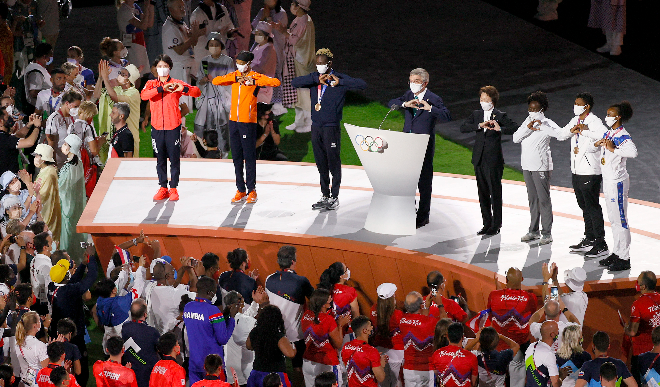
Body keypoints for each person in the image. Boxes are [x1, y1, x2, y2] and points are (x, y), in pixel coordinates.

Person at [292, 49, 367, 210]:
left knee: (333, 161)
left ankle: (334, 196)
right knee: (320, 162)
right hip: (316, 126)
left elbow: (362, 84)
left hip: (331, 126)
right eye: (317, 63)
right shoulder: (315, 79)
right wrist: (316, 78)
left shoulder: (338, 79)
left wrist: (340, 82)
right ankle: (324, 195)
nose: (319, 66)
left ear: (330, 63)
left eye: (322, 63)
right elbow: (295, 82)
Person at [212, 50, 281, 204]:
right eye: (238, 63)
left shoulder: (255, 77)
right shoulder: (235, 76)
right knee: (236, 157)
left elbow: (276, 82)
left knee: (249, 157)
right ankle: (240, 189)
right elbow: (216, 81)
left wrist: (254, 82)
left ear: (249, 64)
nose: (240, 66)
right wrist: (236, 77)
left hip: (248, 122)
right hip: (233, 122)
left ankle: (252, 190)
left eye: (243, 64)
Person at [389, 68, 451, 228]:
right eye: (411, 81)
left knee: (423, 182)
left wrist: (430, 108)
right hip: (407, 144)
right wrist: (404, 104)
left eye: (416, 81)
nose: (413, 84)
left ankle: (423, 216)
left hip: (423, 145)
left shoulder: (434, 99)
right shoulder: (408, 95)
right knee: (407, 180)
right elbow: (392, 102)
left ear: (425, 83)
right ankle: (408, 210)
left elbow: (447, 116)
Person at [140, 54, 201, 201]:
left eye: (165, 66)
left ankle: (173, 188)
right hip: (157, 128)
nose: (162, 69)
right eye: (159, 67)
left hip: (173, 127)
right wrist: (161, 88)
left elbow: (197, 92)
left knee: (174, 158)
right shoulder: (151, 84)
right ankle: (163, 187)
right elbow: (143, 96)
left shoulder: (176, 83)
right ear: (155, 68)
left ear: (170, 68)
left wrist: (184, 88)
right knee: (160, 158)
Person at [459, 85, 517, 235]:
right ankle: (486, 223)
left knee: (494, 192)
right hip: (479, 159)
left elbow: (515, 127)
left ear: (493, 101)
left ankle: (496, 225)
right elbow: (463, 127)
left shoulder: (500, 115)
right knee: (483, 193)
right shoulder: (477, 114)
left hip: (493, 160)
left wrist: (500, 129)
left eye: (486, 99)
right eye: (481, 98)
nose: (482, 101)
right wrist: (479, 125)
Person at [557, 93, 608, 259]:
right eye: (575, 102)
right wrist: (572, 131)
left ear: (587, 107)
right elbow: (561, 135)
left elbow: (604, 136)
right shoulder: (575, 120)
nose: (575, 106)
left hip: (590, 171)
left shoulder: (594, 122)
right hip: (577, 171)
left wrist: (585, 132)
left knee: (592, 207)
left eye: (578, 103)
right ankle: (590, 237)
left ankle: (601, 244)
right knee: (584, 205)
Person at [513, 91, 562, 244]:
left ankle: (547, 233)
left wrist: (543, 127)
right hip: (527, 166)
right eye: (530, 109)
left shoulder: (547, 123)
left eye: (535, 109)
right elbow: (515, 138)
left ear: (542, 109)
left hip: (541, 167)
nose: (532, 112)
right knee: (533, 199)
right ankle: (533, 231)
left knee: (544, 200)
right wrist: (528, 128)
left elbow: (560, 135)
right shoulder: (527, 121)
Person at [594, 101, 637, 271]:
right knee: (613, 220)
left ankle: (624, 258)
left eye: (610, 114)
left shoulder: (622, 136)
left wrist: (613, 150)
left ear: (618, 117)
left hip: (618, 183)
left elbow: (633, 152)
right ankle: (617, 252)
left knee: (621, 220)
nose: (607, 117)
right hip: (609, 181)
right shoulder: (609, 132)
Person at [48, 246, 98, 387]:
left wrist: (82, 264)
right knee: (79, 367)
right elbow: (92, 276)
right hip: (72, 336)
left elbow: (71, 281)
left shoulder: (53, 286)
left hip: (59, 333)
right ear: (65, 276)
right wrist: (91, 257)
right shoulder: (68, 291)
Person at [265, 245, 314, 382]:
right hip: (295, 335)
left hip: (275, 334)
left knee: (277, 369)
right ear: (293, 261)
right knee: (298, 368)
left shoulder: (269, 279)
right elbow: (315, 300)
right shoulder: (302, 281)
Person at [486, 267, 537, 387]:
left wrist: (499, 289)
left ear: (506, 279)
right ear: (522, 279)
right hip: (520, 346)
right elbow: (532, 315)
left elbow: (492, 312)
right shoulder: (530, 298)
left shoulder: (494, 295)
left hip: (499, 345)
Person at [184, 276, 237, 384]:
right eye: (214, 292)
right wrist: (231, 318)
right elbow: (222, 339)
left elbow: (202, 325)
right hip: (212, 366)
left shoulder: (188, 307)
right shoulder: (213, 311)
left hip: (194, 362)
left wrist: (224, 316)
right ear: (210, 292)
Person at [275, 0, 314, 133]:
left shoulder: (305, 21)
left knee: (304, 93)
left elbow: (296, 40)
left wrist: (283, 32)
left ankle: (308, 122)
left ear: (299, 6)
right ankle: (299, 121)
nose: (291, 6)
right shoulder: (299, 19)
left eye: (293, 4)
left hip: (301, 61)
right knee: (297, 92)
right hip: (294, 59)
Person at [162, 0, 206, 114]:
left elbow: (193, 43)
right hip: (177, 70)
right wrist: (194, 35)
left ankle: (183, 131)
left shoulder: (181, 23)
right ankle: (174, 130)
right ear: (171, 9)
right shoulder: (169, 27)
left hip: (185, 69)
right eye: (179, 7)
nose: (183, 9)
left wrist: (196, 33)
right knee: (181, 107)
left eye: (183, 6)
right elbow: (180, 50)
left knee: (186, 106)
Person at [194, 32, 233, 156]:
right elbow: (199, 80)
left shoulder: (228, 61)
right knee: (205, 124)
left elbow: (231, 81)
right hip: (207, 98)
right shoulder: (204, 61)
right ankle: (204, 150)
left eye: (216, 44)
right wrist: (204, 80)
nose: (214, 47)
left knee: (222, 126)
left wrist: (216, 82)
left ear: (221, 46)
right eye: (211, 44)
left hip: (221, 98)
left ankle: (223, 153)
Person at [300, 288, 348, 387]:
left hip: (308, 362)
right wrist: (340, 325)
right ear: (322, 304)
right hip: (326, 364)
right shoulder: (328, 320)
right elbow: (338, 344)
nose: (331, 299)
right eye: (329, 298)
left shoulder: (306, 315)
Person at [97, 62, 142, 156]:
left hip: (129, 136)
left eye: (123, 74)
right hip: (117, 135)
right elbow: (98, 95)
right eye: (120, 73)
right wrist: (100, 77)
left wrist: (106, 78)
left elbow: (114, 97)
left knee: (128, 165)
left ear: (129, 79)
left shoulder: (134, 93)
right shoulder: (119, 89)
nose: (120, 76)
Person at [143, 257, 197, 334]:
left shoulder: (148, 287)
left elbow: (172, 284)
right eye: (173, 273)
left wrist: (183, 268)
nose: (175, 276)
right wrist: (190, 270)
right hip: (172, 338)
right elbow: (195, 291)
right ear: (167, 277)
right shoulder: (174, 294)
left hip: (155, 335)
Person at [246, 304, 297, 387]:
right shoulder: (278, 336)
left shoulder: (255, 332)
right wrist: (293, 347)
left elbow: (248, 346)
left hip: (257, 374)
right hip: (275, 377)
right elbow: (290, 354)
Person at [251, 0, 287, 115]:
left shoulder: (281, 13)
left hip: (275, 47)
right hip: (262, 47)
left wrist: (267, 18)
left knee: (275, 74)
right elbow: (254, 28)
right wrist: (263, 17)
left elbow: (277, 30)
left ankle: (277, 104)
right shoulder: (262, 11)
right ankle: (262, 103)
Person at [623, 271, 660, 382]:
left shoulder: (638, 304)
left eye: (639, 282)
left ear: (643, 286)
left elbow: (633, 332)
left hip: (642, 353)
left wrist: (625, 328)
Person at [399, 291, 440, 387]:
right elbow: (446, 325)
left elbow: (420, 322)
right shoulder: (430, 322)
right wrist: (440, 304)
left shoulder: (402, 320)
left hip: (408, 370)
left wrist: (425, 307)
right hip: (426, 370)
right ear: (421, 305)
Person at [57, 134, 86, 260]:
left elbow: (61, 187)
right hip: (74, 205)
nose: (62, 146)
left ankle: (68, 261)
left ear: (70, 148)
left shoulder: (70, 167)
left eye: (65, 144)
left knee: (67, 237)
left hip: (67, 207)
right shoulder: (77, 163)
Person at [370, 283, 404, 387]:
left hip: (380, 350)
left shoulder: (373, 310)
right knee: (396, 382)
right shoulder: (398, 314)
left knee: (383, 382)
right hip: (397, 351)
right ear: (392, 297)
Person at [122, 299, 160, 387]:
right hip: (146, 374)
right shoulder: (152, 332)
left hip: (130, 370)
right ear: (145, 314)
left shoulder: (125, 327)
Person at [189, 0, 235, 73]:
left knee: (223, 78)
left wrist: (230, 33)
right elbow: (194, 37)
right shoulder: (197, 14)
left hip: (220, 52)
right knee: (206, 79)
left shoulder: (222, 9)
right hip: (204, 54)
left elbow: (228, 26)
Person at [66, 101, 100, 198]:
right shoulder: (88, 127)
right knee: (88, 193)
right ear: (89, 115)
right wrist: (100, 142)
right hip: (86, 164)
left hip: (73, 162)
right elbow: (93, 151)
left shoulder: (71, 126)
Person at [341, 316, 387, 387]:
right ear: (365, 331)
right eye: (370, 326)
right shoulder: (371, 351)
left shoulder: (346, 347)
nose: (372, 328)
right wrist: (381, 364)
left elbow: (356, 362)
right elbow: (381, 378)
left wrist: (375, 358)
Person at [430, 322, 478, 387]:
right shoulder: (472, 357)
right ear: (463, 337)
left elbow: (435, 377)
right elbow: (473, 383)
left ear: (447, 336)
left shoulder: (436, 354)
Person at [45, 90, 83, 168]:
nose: (77, 109)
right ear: (67, 103)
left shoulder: (75, 117)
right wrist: (53, 164)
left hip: (73, 161)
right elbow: (51, 143)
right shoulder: (54, 118)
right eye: (75, 106)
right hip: (59, 162)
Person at [317, 261, 359, 333]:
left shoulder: (324, 289)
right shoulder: (350, 291)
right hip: (345, 331)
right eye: (346, 269)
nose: (348, 271)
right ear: (341, 276)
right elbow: (356, 315)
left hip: (327, 329)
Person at [116, 0, 154, 78]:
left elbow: (148, 24)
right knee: (135, 74)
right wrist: (146, 7)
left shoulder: (135, 6)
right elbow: (142, 25)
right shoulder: (124, 10)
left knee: (141, 72)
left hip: (139, 42)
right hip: (131, 43)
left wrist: (151, 6)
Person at [0, 109, 40, 176]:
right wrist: (37, 127)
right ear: (1, 122)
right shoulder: (3, 138)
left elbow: (18, 136)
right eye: (7, 117)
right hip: (10, 181)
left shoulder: (3, 136)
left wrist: (29, 125)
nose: (11, 118)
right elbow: (29, 142)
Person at [14, 311, 50, 386]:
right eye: (39, 321)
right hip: (36, 383)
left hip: (23, 382)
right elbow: (47, 368)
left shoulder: (17, 342)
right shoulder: (39, 345)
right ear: (35, 326)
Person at [525, 321, 562, 387]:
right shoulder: (549, 355)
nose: (558, 332)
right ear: (552, 334)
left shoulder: (531, 346)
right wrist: (562, 377)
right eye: (557, 330)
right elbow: (555, 384)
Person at [250, 21, 277, 103]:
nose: (257, 36)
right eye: (256, 34)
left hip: (262, 87)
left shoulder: (269, 50)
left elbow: (263, 68)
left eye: (260, 34)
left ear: (267, 36)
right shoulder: (258, 46)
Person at [23, 43, 53, 115]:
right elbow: (33, 92)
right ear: (44, 56)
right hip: (38, 110)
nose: (51, 58)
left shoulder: (41, 68)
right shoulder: (36, 71)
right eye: (50, 56)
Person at [30, 230, 54, 314]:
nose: (53, 244)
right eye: (51, 243)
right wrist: (50, 311)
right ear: (45, 247)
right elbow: (50, 289)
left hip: (37, 300)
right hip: (44, 304)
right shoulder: (45, 265)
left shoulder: (34, 259)